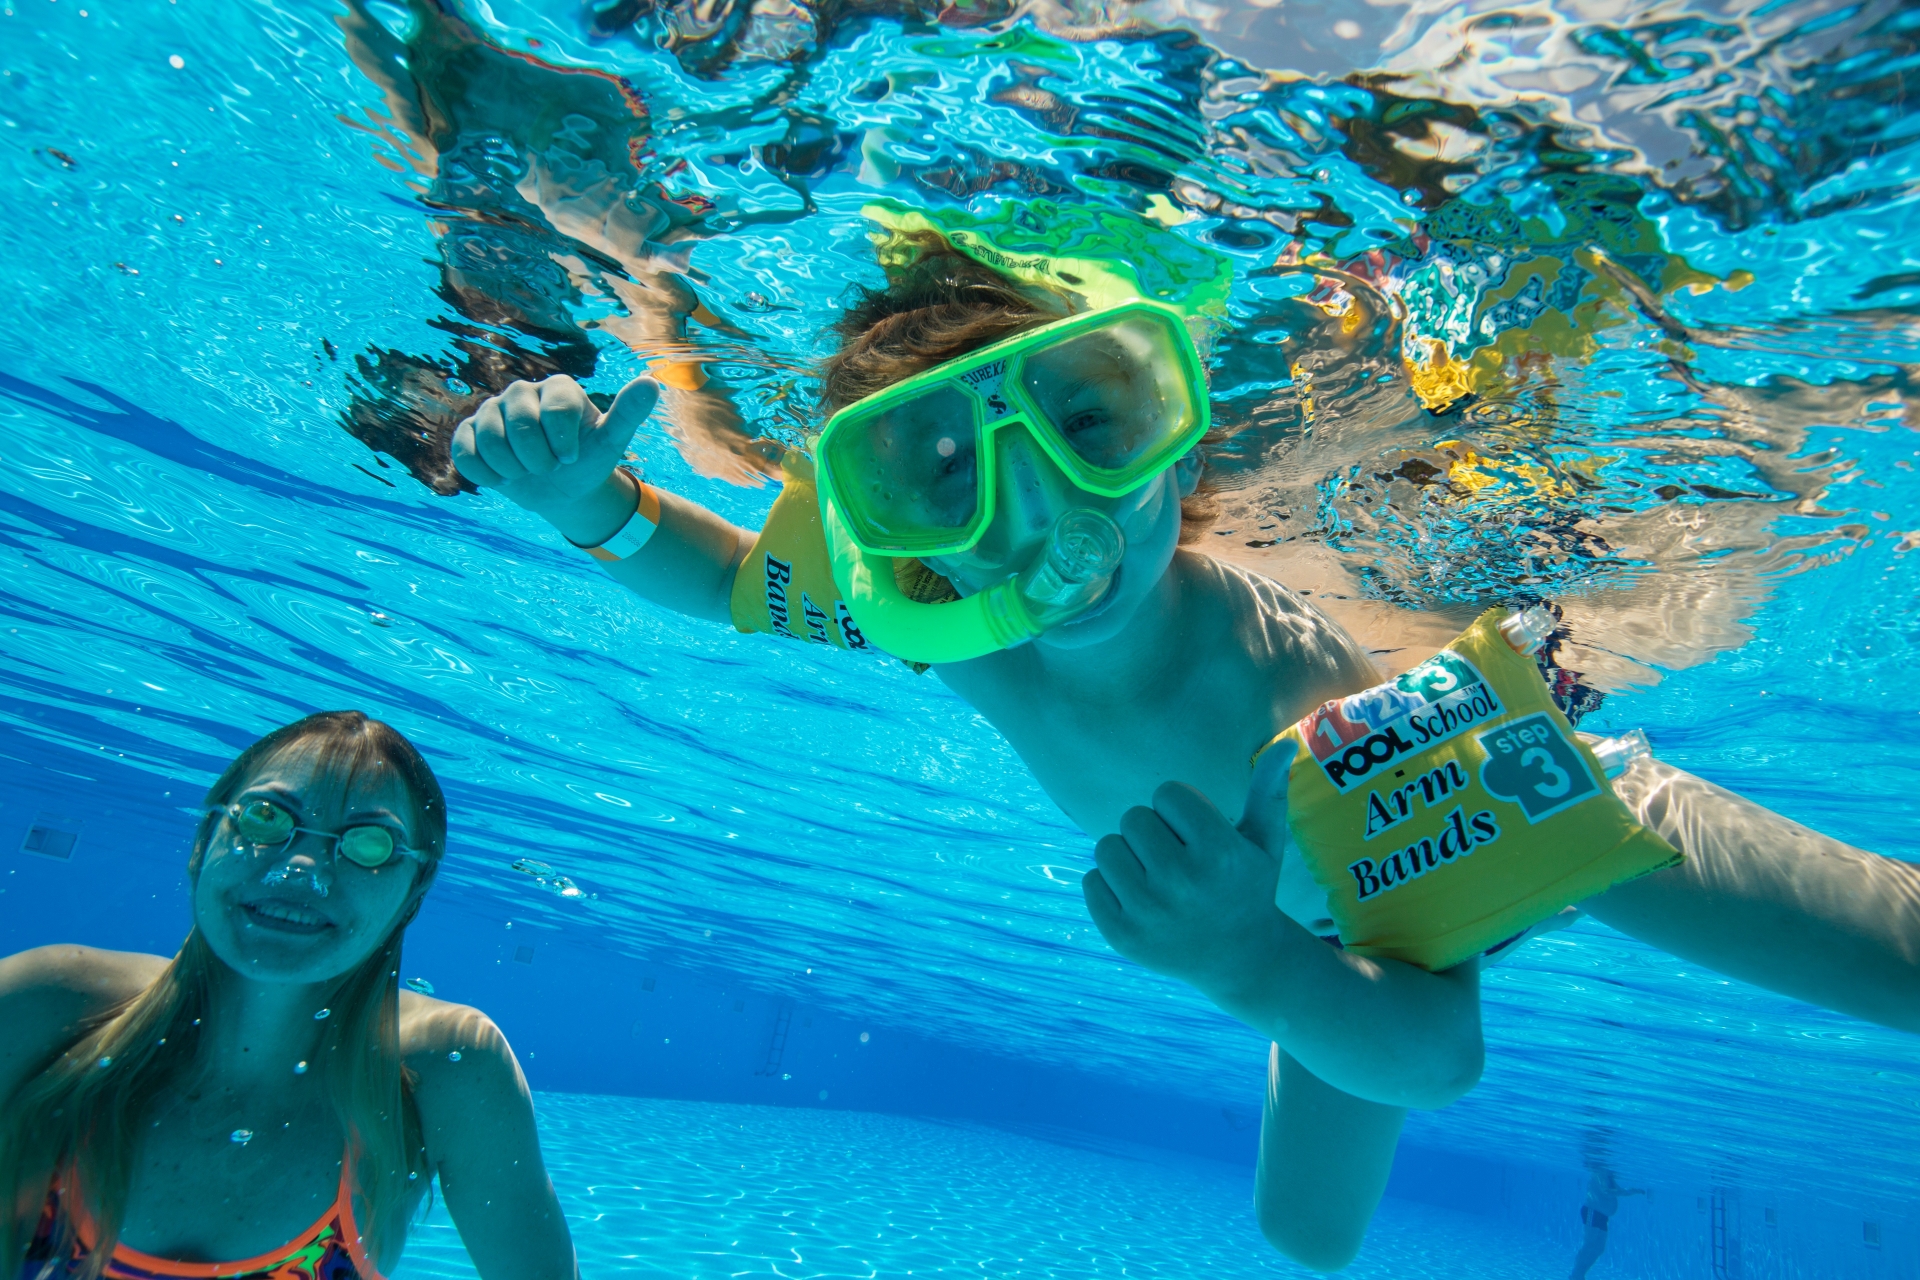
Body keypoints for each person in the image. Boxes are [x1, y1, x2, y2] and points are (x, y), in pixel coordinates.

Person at [445, 203, 1920, 1270]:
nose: (1041, 523)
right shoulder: (939, 616)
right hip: (1292, 910)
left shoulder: (1311, 723)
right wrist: (596, 508)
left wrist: (1251, 965)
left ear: (1184, 432)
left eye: (1091, 429)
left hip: (1480, 797)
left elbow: (1433, 1052)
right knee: (1306, 1234)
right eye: (944, 474)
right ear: (896, 533)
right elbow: (726, 579)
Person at [0, 712, 575, 1280]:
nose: (302, 870)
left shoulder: (446, 1071)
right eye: (267, 818)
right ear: (204, 841)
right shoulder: (45, 1004)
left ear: (411, 895)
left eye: (368, 845)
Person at [1570, 1165, 1645, 1280]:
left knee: (1599, 1248)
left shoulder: (1608, 1175)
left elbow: (1617, 1190)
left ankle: (1581, 1273)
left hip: (1602, 1216)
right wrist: (1628, 1191)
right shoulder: (1600, 1171)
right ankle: (1576, 1275)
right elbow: (1607, 1192)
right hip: (1593, 1211)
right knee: (1589, 1244)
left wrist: (1632, 1191)